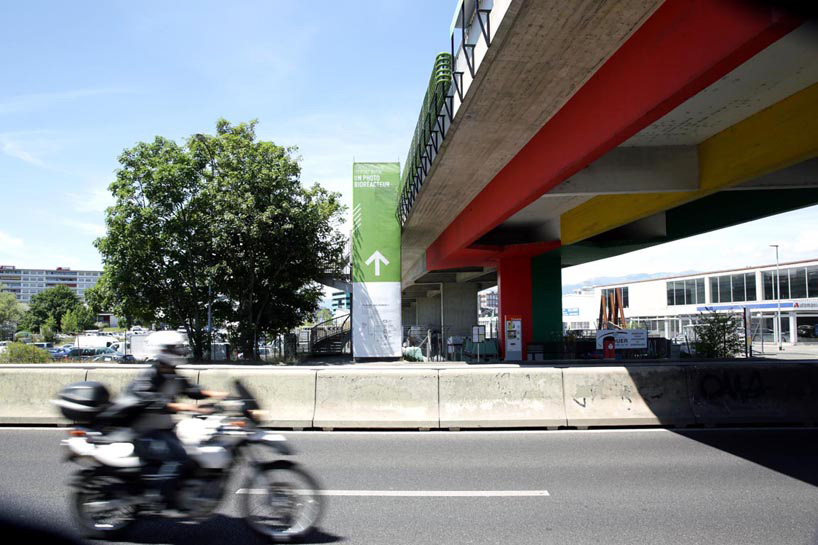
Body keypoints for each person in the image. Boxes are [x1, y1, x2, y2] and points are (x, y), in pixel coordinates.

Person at [122, 331, 227, 508]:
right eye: (175, 349)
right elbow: (150, 399)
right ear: (163, 351)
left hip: (164, 430)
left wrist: (222, 395)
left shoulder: (171, 373)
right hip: (144, 433)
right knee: (179, 457)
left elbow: (193, 390)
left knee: (193, 451)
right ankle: (160, 498)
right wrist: (184, 407)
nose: (180, 352)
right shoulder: (150, 375)